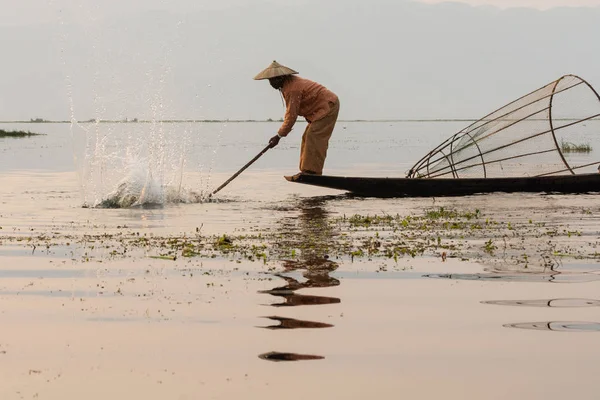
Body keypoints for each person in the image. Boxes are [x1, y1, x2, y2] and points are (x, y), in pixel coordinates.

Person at [254, 60, 340, 177]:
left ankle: (312, 172)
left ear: (281, 78)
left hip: (328, 105)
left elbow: (291, 116)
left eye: (273, 80)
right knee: (307, 136)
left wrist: (279, 136)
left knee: (314, 136)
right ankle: (307, 170)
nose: (271, 83)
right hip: (319, 109)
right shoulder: (288, 86)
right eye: (270, 80)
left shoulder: (292, 89)